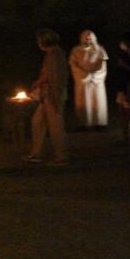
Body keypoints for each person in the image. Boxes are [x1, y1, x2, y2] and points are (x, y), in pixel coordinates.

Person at [24, 29, 69, 166]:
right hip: (47, 95)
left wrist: (37, 84)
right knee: (37, 122)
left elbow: (53, 76)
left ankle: (61, 157)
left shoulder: (54, 55)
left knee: (56, 126)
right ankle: (36, 153)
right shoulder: (52, 54)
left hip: (53, 95)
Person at [69, 29, 108, 130]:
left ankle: (99, 123)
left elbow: (102, 65)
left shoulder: (100, 50)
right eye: (86, 38)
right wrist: (84, 75)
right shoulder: (76, 50)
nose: (88, 40)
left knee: (97, 101)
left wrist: (94, 76)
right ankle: (83, 124)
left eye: (90, 38)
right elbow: (73, 65)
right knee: (83, 102)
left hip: (96, 82)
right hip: (82, 81)